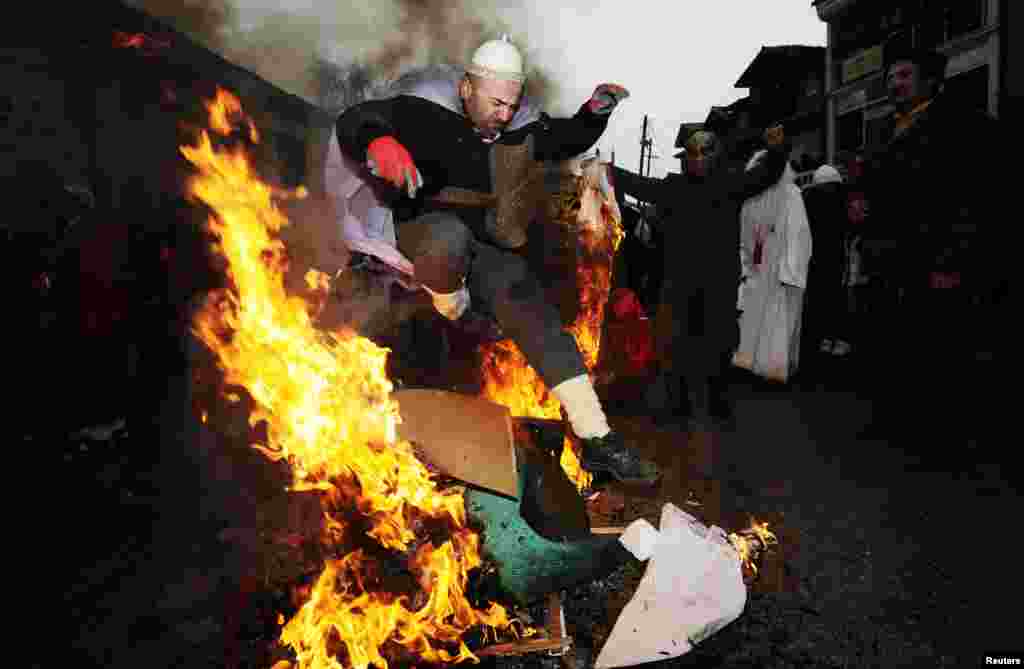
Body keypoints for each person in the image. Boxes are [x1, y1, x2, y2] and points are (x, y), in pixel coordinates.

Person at [326, 35, 659, 485]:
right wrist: (379, 142)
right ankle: (453, 305)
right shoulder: (422, 113)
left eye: (510, 105)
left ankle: (596, 436)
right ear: (467, 88)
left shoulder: (519, 131)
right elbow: (359, 118)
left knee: (529, 305)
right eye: (495, 103)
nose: (503, 115)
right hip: (424, 230)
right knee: (450, 237)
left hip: (484, 247)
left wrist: (596, 111)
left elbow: (568, 138)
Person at [857, 42, 1004, 444]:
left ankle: (942, 436)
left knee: (938, 351)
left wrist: (951, 262)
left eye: (904, 76)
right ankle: (895, 420)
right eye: (890, 77)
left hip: (936, 258)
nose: (894, 84)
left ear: (932, 81)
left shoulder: (964, 127)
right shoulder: (886, 130)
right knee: (894, 344)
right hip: (889, 259)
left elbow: (974, 202)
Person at [609, 130, 789, 427]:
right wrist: (610, 171)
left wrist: (777, 149)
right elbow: (639, 184)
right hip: (682, 280)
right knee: (677, 343)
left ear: (715, 156)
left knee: (717, 342)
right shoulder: (678, 186)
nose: (698, 160)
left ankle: (715, 400)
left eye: (704, 153)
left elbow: (766, 174)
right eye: (693, 154)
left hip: (716, 280)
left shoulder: (728, 182)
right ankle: (681, 403)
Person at [734, 145, 813, 385]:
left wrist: (790, 268)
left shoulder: (791, 194)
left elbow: (799, 233)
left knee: (777, 320)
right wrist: (746, 263)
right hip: (758, 266)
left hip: (779, 267)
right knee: (753, 317)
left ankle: (774, 369)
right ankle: (750, 363)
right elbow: (744, 234)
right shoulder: (752, 197)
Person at [801, 164, 852, 373]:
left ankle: (818, 342)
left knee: (815, 300)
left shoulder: (807, 201)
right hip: (835, 258)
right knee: (836, 297)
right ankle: (834, 340)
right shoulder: (841, 200)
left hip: (813, 260)